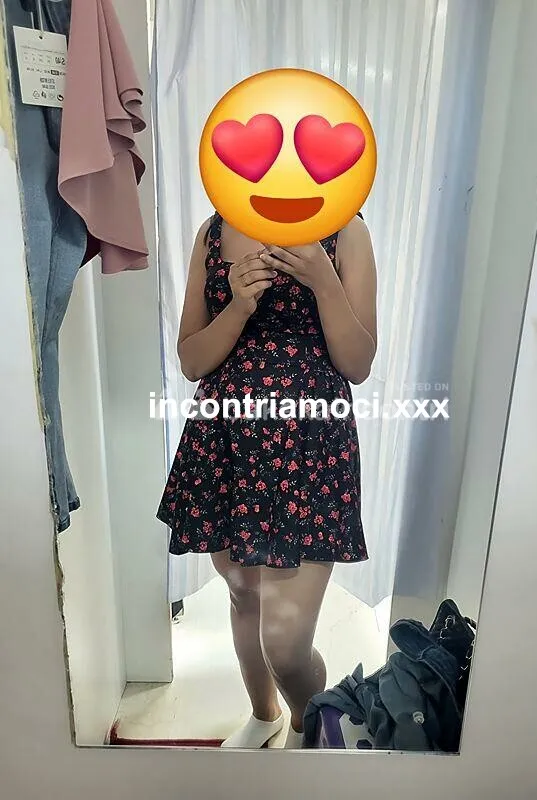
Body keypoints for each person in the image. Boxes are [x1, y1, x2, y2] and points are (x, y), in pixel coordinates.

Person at [157, 211, 377, 748]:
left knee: (285, 642)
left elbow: (357, 363)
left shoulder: (345, 230)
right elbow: (192, 360)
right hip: (226, 447)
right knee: (244, 596)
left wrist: (323, 280)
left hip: (309, 454)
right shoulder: (213, 232)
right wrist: (238, 305)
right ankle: (263, 715)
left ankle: (308, 724)